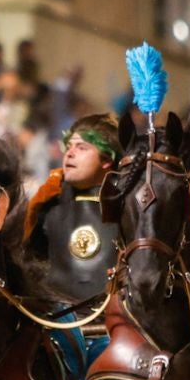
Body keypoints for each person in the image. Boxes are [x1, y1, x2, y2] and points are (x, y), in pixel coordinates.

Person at [23, 112, 122, 301]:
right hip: (57, 322)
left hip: (113, 319)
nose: (69, 153)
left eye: (82, 147)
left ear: (107, 159)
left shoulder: (128, 208)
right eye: (68, 147)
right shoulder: (46, 206)